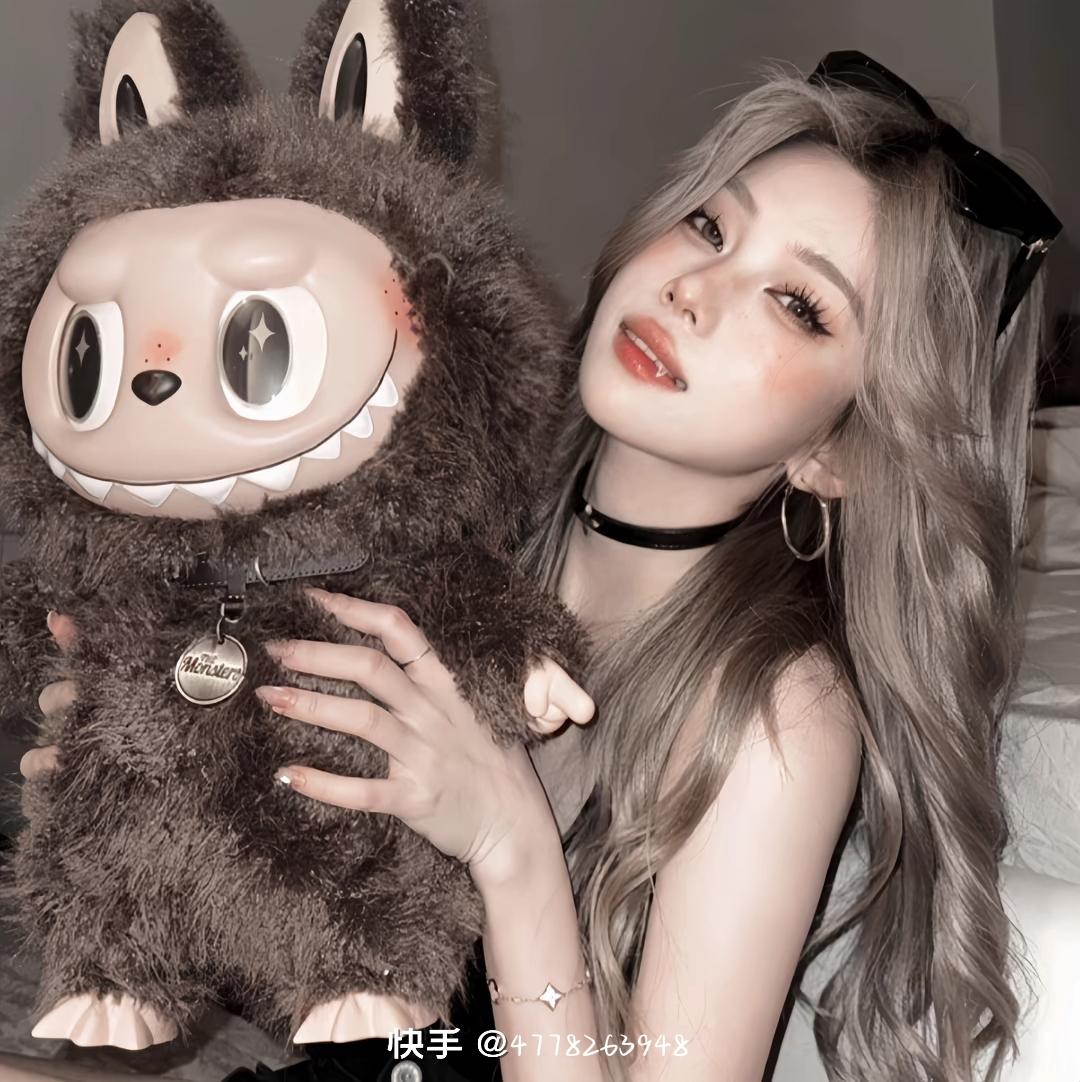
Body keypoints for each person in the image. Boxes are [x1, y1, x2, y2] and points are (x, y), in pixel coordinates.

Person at [10, 49, 1059, 1082]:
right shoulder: (460, 523)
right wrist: (160, 776)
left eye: (798, 304)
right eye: (709, 225)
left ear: (842, 453)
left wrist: (512, 847)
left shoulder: (782, 709)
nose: (693, 288)